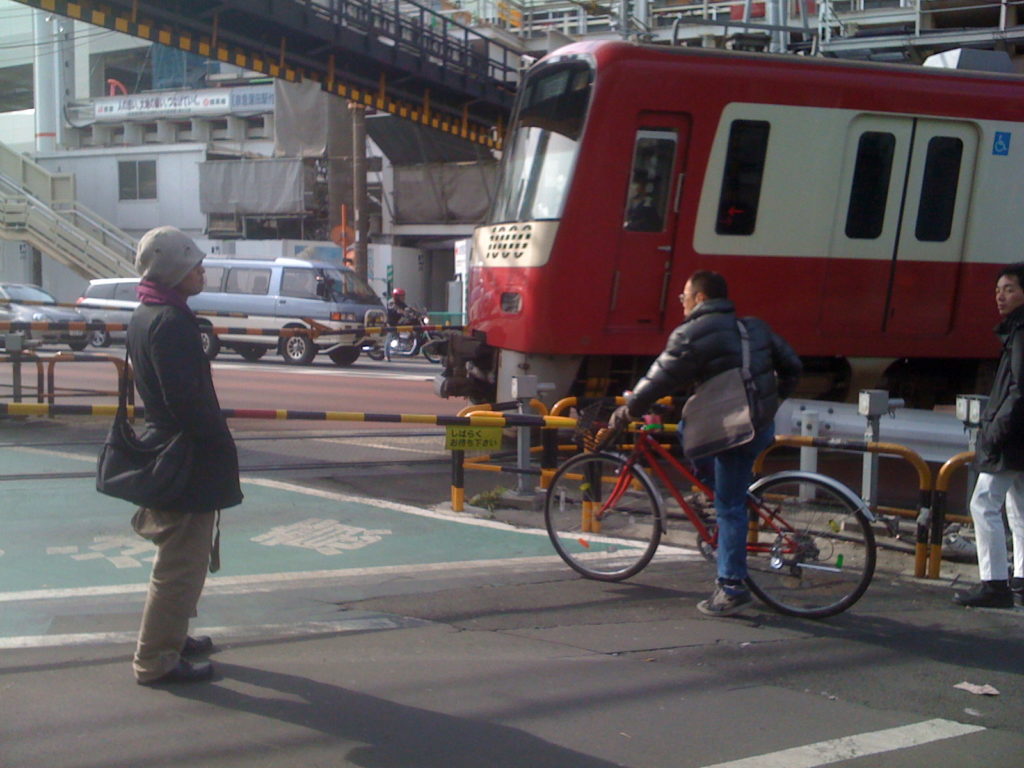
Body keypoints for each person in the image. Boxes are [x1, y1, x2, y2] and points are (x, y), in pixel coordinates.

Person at [610, 270, 802, 616]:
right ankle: (713, 494)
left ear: (700, 298)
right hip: (759, 425)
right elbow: (793, 367)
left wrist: (627, 411)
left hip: (734, 431)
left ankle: (731, 587)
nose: (681, 303)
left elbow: (658, 378)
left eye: (684, 296)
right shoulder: (753, 327)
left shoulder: (692, 333)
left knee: (729, 507)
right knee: (688, 430)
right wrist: (770, 404)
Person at [128, 226, 243, 685]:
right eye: (194, 263)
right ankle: (155, 658)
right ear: (173, 270)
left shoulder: (147, 313)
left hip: (167, 449)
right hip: (186, 455)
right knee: (181, 562)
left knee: (182, 556)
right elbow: (186, 401)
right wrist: (218, 443)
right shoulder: (172, 322)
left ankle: (172, 635)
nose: (201, 270)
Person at [953, 262, 1024, 609]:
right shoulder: (1015, 331)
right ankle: (1021, 580)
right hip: (1018, 435)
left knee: (982, 503)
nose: (1000, 296)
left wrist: (995, 431)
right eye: (998, 290)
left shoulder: (1020, 333)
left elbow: (1018, 389)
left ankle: (995, 584)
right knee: (1018, 506)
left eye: (1009, 289)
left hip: (1012, 436)